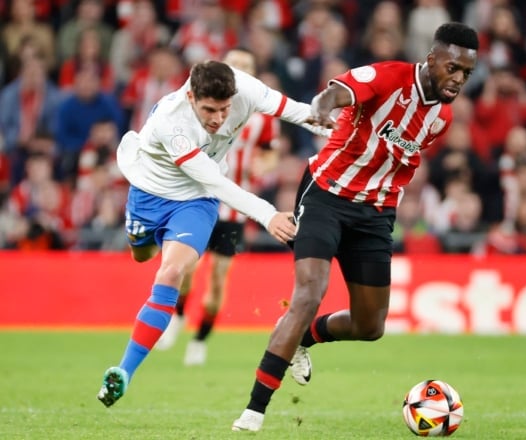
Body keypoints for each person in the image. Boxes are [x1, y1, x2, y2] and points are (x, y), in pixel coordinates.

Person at [231, 21, 479, 432]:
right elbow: (340, 90)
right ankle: (254, 410)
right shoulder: (389, 76)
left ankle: (302, 338)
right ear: (431, 58)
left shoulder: (441, 119)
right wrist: (324, 105)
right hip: (326, 195)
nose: (457, 80)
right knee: (309, 293)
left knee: (370, 326)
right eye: (452, 68)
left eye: (466, 74)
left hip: (375, 214)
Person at [96, 59, 327, 408]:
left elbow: (296, 111)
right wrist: (267, 214)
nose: (219, 119)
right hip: (150, 194)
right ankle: (150, 250)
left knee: (172, 271)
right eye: (209, 110)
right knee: (141, 254)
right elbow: (217, 180)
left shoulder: (245, 89)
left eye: (224, 109)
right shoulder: (170, 123)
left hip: (195, 201)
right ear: (191, 97)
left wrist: (338, 127)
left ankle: (124, 371)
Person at [153, 47, 282, 366]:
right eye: (234, 65)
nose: (240, 70)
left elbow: (270, 152)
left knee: (218, 279)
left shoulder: (260, 115)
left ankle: (200, 339)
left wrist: (264, 165)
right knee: (185, 270)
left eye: (246, 66)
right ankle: (178, 315)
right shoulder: (202, 106)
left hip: (233, 208)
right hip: (197, 199)